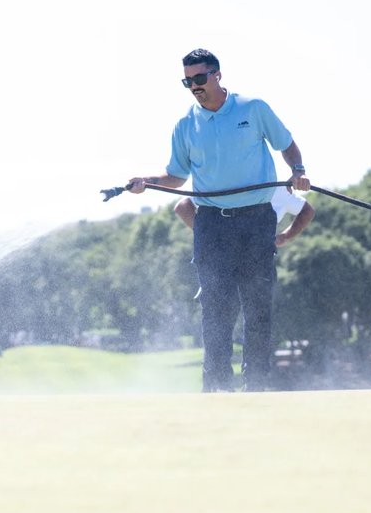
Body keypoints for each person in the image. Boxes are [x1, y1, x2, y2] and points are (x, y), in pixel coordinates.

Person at [127, 48, 311, 392]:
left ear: (217, 75)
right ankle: (217, 389)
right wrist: (146, 183)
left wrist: (297, 172)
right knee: (215, 308)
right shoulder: (185, 125)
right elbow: (176, 177)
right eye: (187, 81)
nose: (194, 86)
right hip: (212, 224)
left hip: (256, 221)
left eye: (199, 78)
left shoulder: (253, 108)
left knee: (257, 307)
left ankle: (256, 386)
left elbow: (287, 145)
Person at [174, 186, 315, 246]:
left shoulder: (278, 188)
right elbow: (183, 207)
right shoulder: (225, 179)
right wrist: (207, 236)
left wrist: (285, 236)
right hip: (224, 257)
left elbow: (307, 211)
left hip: (260, 260)